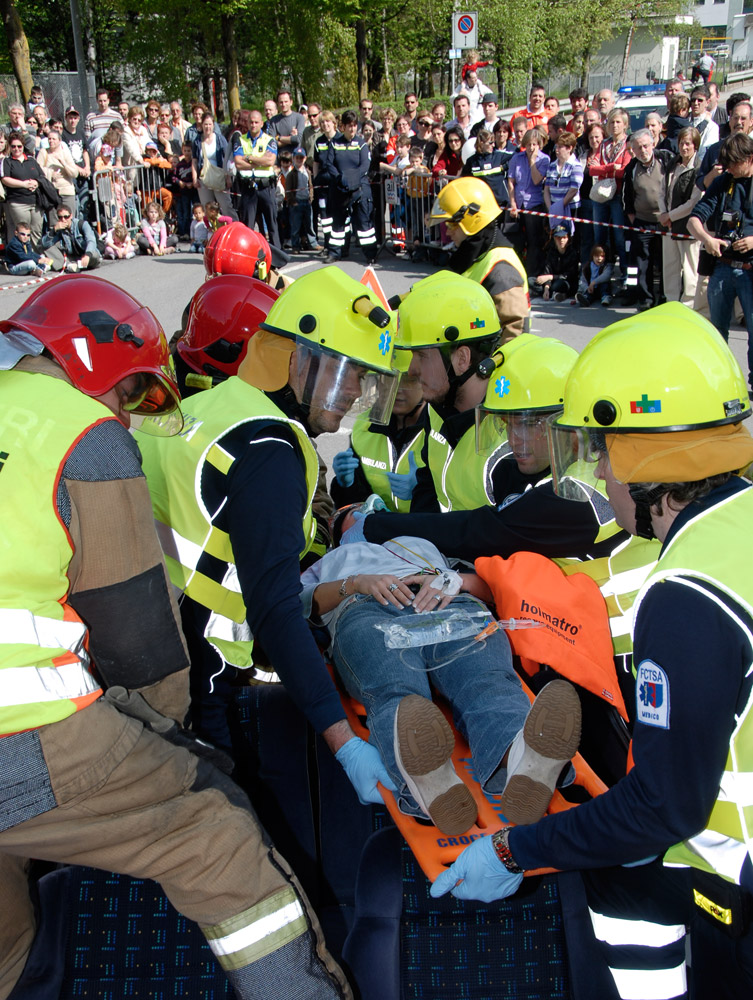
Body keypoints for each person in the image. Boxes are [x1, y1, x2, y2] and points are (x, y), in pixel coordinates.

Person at [0, 275, 353, 1000]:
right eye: (128, 395)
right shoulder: (83, 436)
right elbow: (138, 642)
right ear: (101, 367)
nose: (127, 418)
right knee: (211, 831)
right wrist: (176, 738)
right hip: (25, 735)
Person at [431, 303, 753, 1000]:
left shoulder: (685, 592)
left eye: (603, 450)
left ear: (645, 455)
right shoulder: (738, 525)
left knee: (614, 866)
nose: (600, 475)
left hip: (736, 877)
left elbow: (663, 808)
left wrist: (514, 850)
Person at [136, 267, 404, 778]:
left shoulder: (208, 408)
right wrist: (342, 740)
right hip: (205, 672)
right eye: (348, 372)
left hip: (152, 650)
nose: (354, 393)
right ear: (299, 358)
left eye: (365, 379)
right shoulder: (270, 451)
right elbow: (274, 609)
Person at [302, 527, 581, 835]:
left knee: (486, 681)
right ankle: (431, 779)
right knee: (400, 693)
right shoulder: (327, 562)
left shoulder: (422, 543)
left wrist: (456, 581)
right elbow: (300, 605)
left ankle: (520, 757)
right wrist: (355, 583)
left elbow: (491, 587)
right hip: (365, 606)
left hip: (448, 600)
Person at [687, 132, 753, 395]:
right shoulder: (723, 182)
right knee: (717, 331)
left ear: (749, 159)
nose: (730, 170)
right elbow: (694, 219)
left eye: (735, 164)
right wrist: (707, 239)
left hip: (750, 268)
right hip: (722, 265)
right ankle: (720, 381)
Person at [429, 176, 530, 341]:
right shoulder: (473, 255)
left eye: (451, 224)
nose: (447, 232)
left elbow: (515, 333)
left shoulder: (501, 270)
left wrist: (489, 365)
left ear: (472, 221)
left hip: (485, 361)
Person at [331, 357, 426, 513]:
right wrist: (347, 485)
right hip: (378, 531)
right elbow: (353, 505)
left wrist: (423, 492)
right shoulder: (364, 426)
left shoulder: (439, 429)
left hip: (425, 533)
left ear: (425, 383)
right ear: (379, 382)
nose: (397, 389)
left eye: (408, 380)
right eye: (389, 378)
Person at [619, 128, 673, 310]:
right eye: (638, 148)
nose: (643, 150)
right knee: (642, 263)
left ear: (653, 144)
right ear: (633, 150)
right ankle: (646, 299)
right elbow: (626, 199)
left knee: (667, 262)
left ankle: (666, 297)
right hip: (642, 222)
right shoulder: (631, 169)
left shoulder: (666, 160)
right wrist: (634, 220)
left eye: (645, 146)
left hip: (666, 221)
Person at [658, 126, 703, 307]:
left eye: (688, 144)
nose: (684, 148)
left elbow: (693, 202)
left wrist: (670, 216)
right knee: (670, 268)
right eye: (682, 143)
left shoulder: (698, 167)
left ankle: (689, 306)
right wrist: (663, 214)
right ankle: (671, 303)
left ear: (695, 146)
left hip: (687, 226)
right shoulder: (672, 164)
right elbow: (662, 191)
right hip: (668, 225)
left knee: (691, 270)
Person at [327, 110, 376, 265]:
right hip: (340, 189)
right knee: (338, 223)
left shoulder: (361, 144)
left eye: (355, 125)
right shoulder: (335, 143)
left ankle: (370, 254)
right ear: (343, 126)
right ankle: (335, 252)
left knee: (364, 223)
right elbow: (330, 164)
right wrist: (341, 178)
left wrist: (351, 179)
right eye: (349, 126)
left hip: (360, 188)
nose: (352, 129)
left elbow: (364, 166)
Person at [588, 108, 632, 279]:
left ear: (625, 125)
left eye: (618, 122)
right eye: (612, 122)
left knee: (619, 237)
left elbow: (623, 171)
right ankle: (599, 272)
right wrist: (609, 168)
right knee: (599, 234)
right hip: (600, 194)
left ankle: (624, 273)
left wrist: (604, 170)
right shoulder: (604, 144)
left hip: (618, 195)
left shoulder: (628, 144)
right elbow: (592, 169)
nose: (614, 125)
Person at [507, 127, 550, 281]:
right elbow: (511, 181)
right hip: (518, 204)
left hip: (534, 204)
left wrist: (532, 161)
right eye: (529, 144)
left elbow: (537, 180)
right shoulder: (516, 158)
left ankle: (531, 274)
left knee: (534, 241)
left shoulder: (544, 160)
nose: (531, 148)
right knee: (517, 241)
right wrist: (513, 203)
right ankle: (514, 273)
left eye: (534, 144)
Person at [233, 108, 279, 248]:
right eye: (251, 122)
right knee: (248, 226)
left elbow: (270, 162)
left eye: (256, 122)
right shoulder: (240, 140)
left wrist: (249, 158)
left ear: (261, 123)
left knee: (271, 223)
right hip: (248, 187)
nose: (253, 125)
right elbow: (238, 163)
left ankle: (277, 254)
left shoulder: (269, 140)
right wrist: (260, 160)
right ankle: (248, 254)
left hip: (266, 187)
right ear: (247, 123)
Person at [1, 132, 45, 245]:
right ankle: (23, 257)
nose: (16, 149)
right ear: (9, 147)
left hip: (35, 202)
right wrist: (23, 184)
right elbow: (5, 179)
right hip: (18, 202)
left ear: (23, 146)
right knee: (22, 233)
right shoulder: (7, 161)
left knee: (36, 232)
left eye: (19, 146)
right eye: (13, 146)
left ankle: (36, 257)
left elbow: (42, 176)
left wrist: (36, 182)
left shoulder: (31, 160)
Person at [37, 127, 79, 225]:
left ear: (59, 140)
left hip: (66, 191)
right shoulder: (44, 152)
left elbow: (74, 173)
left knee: (69, 221)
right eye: (49, 139)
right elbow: (38, 169)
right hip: (51, 192)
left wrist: (63, 163)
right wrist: (50, 173)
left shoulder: (65, 153)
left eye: (53, 139)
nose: (51, 141)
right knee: (54, 222)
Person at [40, 204, 101, 271]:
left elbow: (91, 240)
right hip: (73, 258)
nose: (63, 220)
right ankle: (70, 265)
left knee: (94, 255)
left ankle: (74, 265)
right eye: (60, 217)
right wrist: (54, 230)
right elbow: (45, 244)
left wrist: (87, 255)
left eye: (66, 217)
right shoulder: (59, 228)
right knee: (46, 248)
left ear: (71, 216)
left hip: (87, 255)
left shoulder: (82, 224)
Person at [462, 128, 511, 208]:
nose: (494, 145)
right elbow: (466, 181)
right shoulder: (471, 161)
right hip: (483, 204)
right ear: (481, 143)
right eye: (490, 143)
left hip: (501, 203)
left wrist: (505, 167)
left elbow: (516, 156)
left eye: (494, 143)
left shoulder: (499, 156)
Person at [531, 224, 579, 301]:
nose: (561, 240)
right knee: (531, 281)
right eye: (558, 238)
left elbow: (569, 275)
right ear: (554, 239)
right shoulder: (551, 252)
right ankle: (550, 293)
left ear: (568, 238)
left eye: (564, 237)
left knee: (557, 285)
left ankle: (558, 293)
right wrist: (546, 288)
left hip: (566, 282)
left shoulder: (573, 253)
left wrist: (550, 277)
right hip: (551, 281)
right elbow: (547, 271)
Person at [84, 88, 123, 155]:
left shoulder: (117, 116)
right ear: (97, 101)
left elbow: (122, 136)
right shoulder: (90, 117)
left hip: (114, 152)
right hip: (97, 153)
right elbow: (88, 138)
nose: (103, 103)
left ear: (108, 100)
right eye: (100, 101)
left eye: (105, 101)